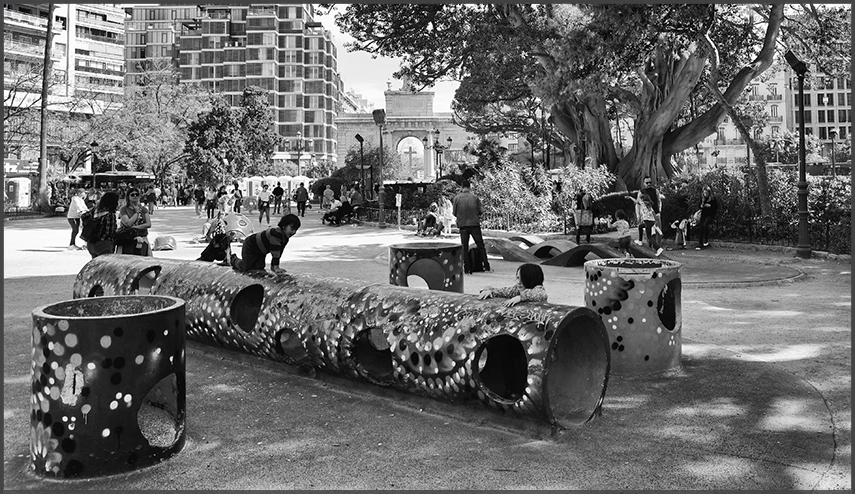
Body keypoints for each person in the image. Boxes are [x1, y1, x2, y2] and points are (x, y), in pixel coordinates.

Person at [231, 213, 300, 273]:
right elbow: (275, 253)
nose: (294, 232)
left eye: (296, 230)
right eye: (292, 229)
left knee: (259, 267)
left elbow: (279, 253)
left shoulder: (285, 238)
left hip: (261, 251)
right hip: (251, 246)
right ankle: (234, 260)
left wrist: (273, 267)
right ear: (284, 226)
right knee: (246, 267)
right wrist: (276, 267)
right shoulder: (276, 234)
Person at [453, 182, 490, 274]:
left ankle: (467, 268)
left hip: (463, 225)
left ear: (461, 187)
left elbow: (454, 213)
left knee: (464, 247)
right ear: (470, 187)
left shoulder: (457, 198)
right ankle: (486, 265)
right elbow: (481, 211)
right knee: (480, 245)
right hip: (474, 224)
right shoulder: (475, 198)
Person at [478, 263, 547, 307]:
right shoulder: (517, 290)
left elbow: (541, 294)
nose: (519, 282)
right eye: (518, 278)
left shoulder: (538, 290)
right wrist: (490, 291)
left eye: (523, 279)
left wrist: (520, 297)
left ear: (531, 279)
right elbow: (503, 291)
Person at [116, 187, 152, 256]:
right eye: (132, 195)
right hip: (127, 239)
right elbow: (127, 223)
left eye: (137, 194)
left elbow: (148, 224)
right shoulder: (123, 209)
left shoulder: (144, 209)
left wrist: (134, 227)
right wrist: (136, 213)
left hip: (142, 238)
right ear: (128, 197)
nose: (135, 196)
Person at [83, 191, 119, 259]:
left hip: (91, 243)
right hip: (104, 244)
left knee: (96, 263)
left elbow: (84, 216)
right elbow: (110, 232)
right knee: (105, 264)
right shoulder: (110, 214)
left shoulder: (95, 210)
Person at [636, 176, 662, 245]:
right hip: (646, 216)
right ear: (644, 183)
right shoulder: (641, 192)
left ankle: (658, 246)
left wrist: (659, 210)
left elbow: (659, 201)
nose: (649, 184)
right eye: (647, 183)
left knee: (658, 231)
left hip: (656, 213)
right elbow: (638, 203)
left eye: (650, 182)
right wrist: (638, 215)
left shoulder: (655, 191)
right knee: (648, 232)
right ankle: (650, 247)